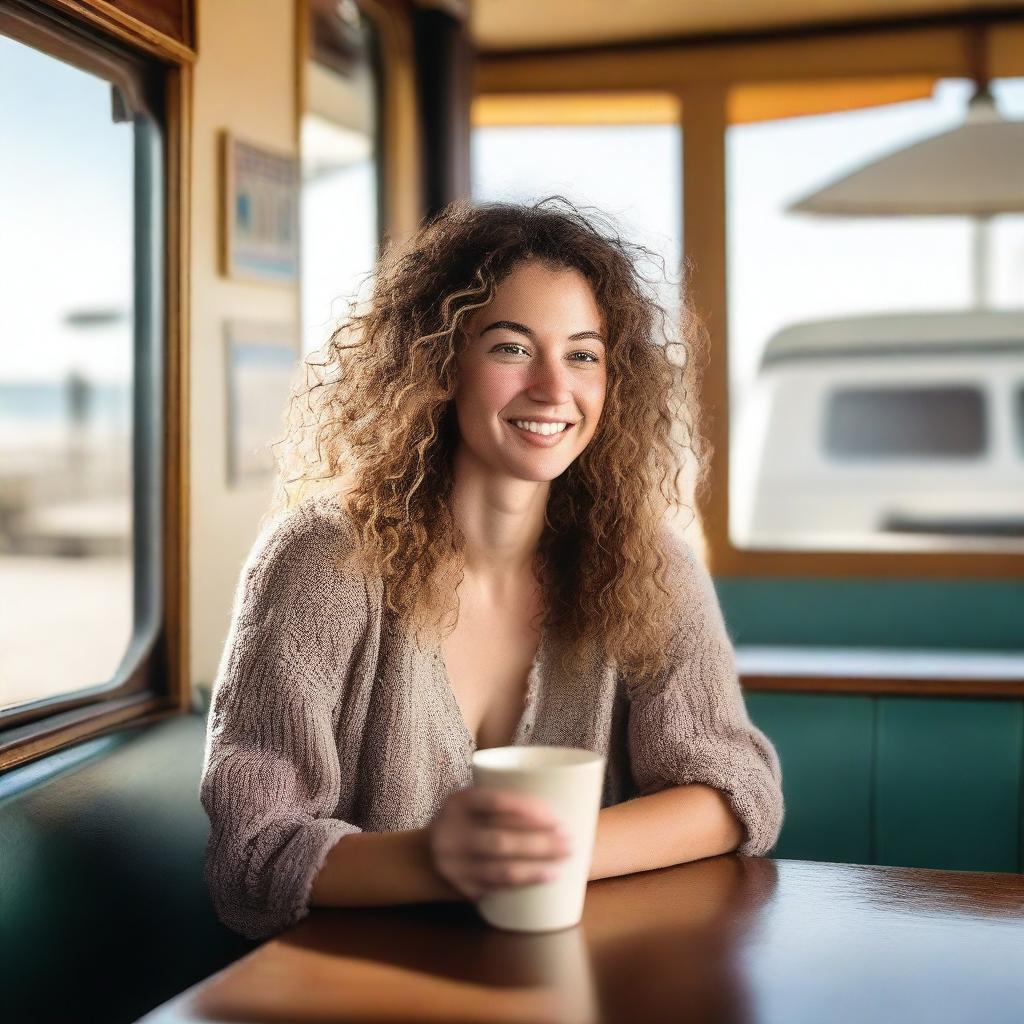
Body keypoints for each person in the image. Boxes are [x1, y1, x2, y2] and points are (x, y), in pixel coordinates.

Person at [200, 196, 784, 941]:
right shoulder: (322, 557)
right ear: (438, 363)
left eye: (582, 354)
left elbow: (736, 790)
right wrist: (441, 861)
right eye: (511, 347)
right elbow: (251, 855)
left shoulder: (650, 562)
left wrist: (548, 855)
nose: (552, 388)